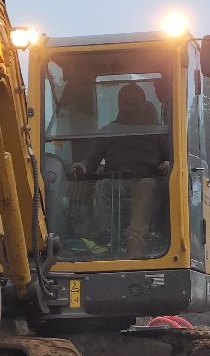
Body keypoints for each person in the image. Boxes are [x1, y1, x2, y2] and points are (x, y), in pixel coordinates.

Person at [68, 83, 170, 255]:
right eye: (125, 103)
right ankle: (106, 238)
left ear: (143, 104)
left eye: (134, 103)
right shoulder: (109, 131)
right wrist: (83, 166)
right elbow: (92, 159)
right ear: (119, 104)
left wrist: (167, 162)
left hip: (146, 181)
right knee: (103, 186)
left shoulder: (158, 131)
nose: (129, 107)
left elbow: (171, 158)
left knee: (146, 186)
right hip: (116, 182)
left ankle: (135, 242)